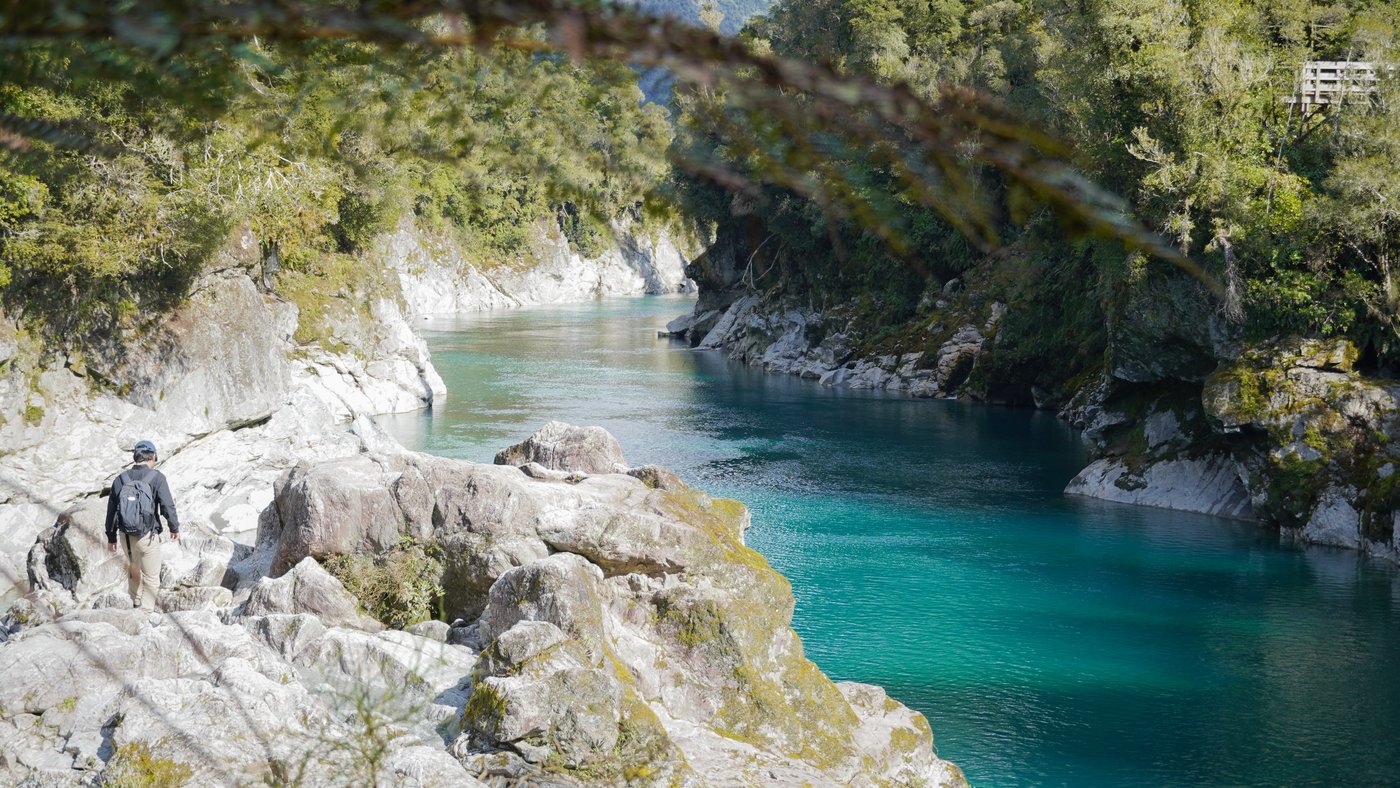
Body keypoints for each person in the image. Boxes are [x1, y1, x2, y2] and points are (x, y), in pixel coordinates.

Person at [104, 439, 180, 609]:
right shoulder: (157, 478)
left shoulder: (120, 479)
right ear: (152, 456)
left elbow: (111, 512)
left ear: (135, 457)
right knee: (152, 578)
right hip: (147, 536)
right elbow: (167, 505)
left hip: (125, 537)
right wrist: (174, 527)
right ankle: (144, 616)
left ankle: (135, 603)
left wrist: (111, 538)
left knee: (134, 569)